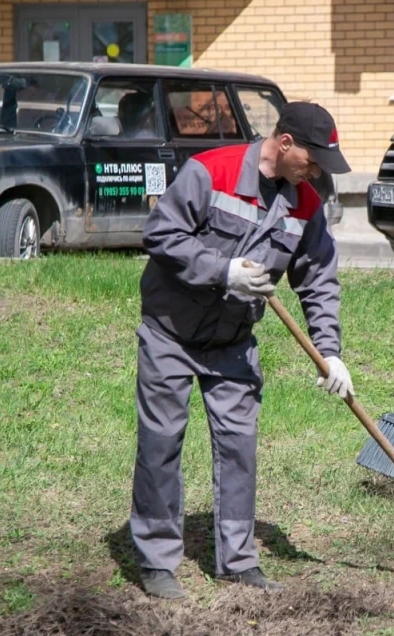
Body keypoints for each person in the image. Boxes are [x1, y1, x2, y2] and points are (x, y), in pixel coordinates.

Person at [131, 102, 353, 599]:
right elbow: (160, 233)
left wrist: (330, 350)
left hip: (232, 342)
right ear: (286, 142)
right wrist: (221, 269)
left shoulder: (306, 205)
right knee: (160, 445)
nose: (315, 173)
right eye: (312, 161)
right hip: (170, 331)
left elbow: (318, 279)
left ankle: (237, 561)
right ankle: (157, 561)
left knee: (239, 450)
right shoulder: (211, 171)